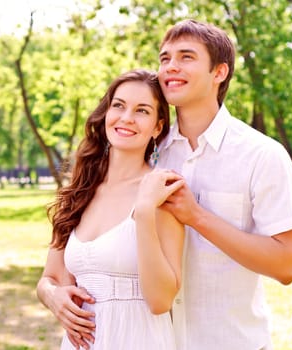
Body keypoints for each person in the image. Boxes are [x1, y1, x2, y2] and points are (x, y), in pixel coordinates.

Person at [156, 19, 292, 349]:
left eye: (186, 57)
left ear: (219, 72)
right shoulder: (148, 152)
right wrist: (55, 289)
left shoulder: (262, 155)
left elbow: (287, 264)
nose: (170, 67)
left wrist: (197, 217)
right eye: (164, 58)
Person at [36, 69, 186, 349]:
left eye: (142, 111)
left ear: (157, 127)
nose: (127, 117)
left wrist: (143, 212)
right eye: (118, 105)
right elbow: (49, 279)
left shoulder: (162, 189)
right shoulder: (80, 190)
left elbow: (160, 301)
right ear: (106, 114)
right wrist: (52, 297)